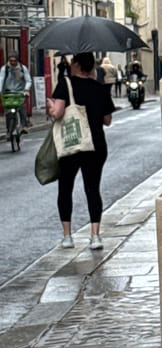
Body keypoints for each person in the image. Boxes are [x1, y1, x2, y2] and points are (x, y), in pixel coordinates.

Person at [46, 53, 114, 251]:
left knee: (65, 188)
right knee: (93, 189)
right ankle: (95, 236)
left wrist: (51, 106)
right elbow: (107, 120)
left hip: (72, 146)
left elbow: (57, 113)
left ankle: (67, 236)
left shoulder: (65, 85)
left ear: (75, 64)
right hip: (96, 146)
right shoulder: (100, 88)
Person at [0, 51, 32, 134]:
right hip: (8, 93)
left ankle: (24, 126)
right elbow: (1, 80)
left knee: (21, 107)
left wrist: (26, 89)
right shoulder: (5, 69)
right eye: (11, 61)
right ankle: (8, 131)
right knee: (8, 112)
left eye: (14, 61)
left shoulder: (22, 68)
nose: (13, 62)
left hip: (19, 92)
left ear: (17, 60)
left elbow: (28, 80)